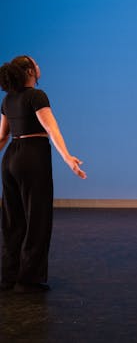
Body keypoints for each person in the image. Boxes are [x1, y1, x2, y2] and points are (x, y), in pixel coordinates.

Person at [0, 55, 87, 293]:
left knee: (12, 219)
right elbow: (50, 127)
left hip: (10, 158)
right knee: (36, 218)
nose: (39, 67)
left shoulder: (8, 99)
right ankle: (28, 280)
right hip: (31, 156)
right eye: (36, 64)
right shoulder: (37, 96)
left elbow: (2, 137)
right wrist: (68, 157)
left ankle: (8, 278)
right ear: (30, 71)